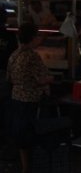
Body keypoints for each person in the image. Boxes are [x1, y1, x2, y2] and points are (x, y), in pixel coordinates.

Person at [6, 23, 53, 173]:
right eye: (37, 36)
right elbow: (41, 79)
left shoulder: (14, 55)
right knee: (30, 134)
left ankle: (25, 166)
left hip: (16, 98)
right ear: (32, 38)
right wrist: (50, 79)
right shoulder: (32, 56)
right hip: (30, 100)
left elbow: (9, 78)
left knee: (21, 135)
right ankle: (31, 166)